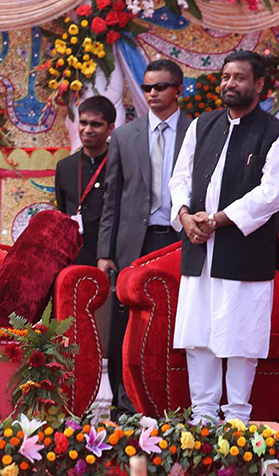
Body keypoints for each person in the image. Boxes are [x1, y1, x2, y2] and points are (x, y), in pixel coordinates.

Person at [169, 51, 279, 423]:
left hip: (244, 249)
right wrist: (185, 217)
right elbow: (179, 178)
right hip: (198, 247)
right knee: (199, 335)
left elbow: (271, 193)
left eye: (239, 78)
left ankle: (236, 420)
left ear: (259, 85)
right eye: (226, 76)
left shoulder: (273, 131)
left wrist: (216, 220)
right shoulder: (202, 125)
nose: (230, 83)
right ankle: (202, 416)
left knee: (239, 337)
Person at [97, 59, 192, 418]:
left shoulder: (196, 131)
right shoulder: (124, 135)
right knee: (124, 322)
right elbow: (112, 198)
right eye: (147, 87)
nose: (151, 93)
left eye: (159, 87)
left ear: (178, 90)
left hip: (181, 240)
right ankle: (123, 404)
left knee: (179, 320)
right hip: (134, 242)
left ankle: (173, 401)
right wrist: (106, 251)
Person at [55, 96, 116, 266]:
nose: (87, 129)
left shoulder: (120, 164)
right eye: (83, 123)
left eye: (96, 124)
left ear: (110, 128)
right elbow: (62, 212)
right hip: (73, 258)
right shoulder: (64, 166)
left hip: (109, 258)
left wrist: (108, 253)